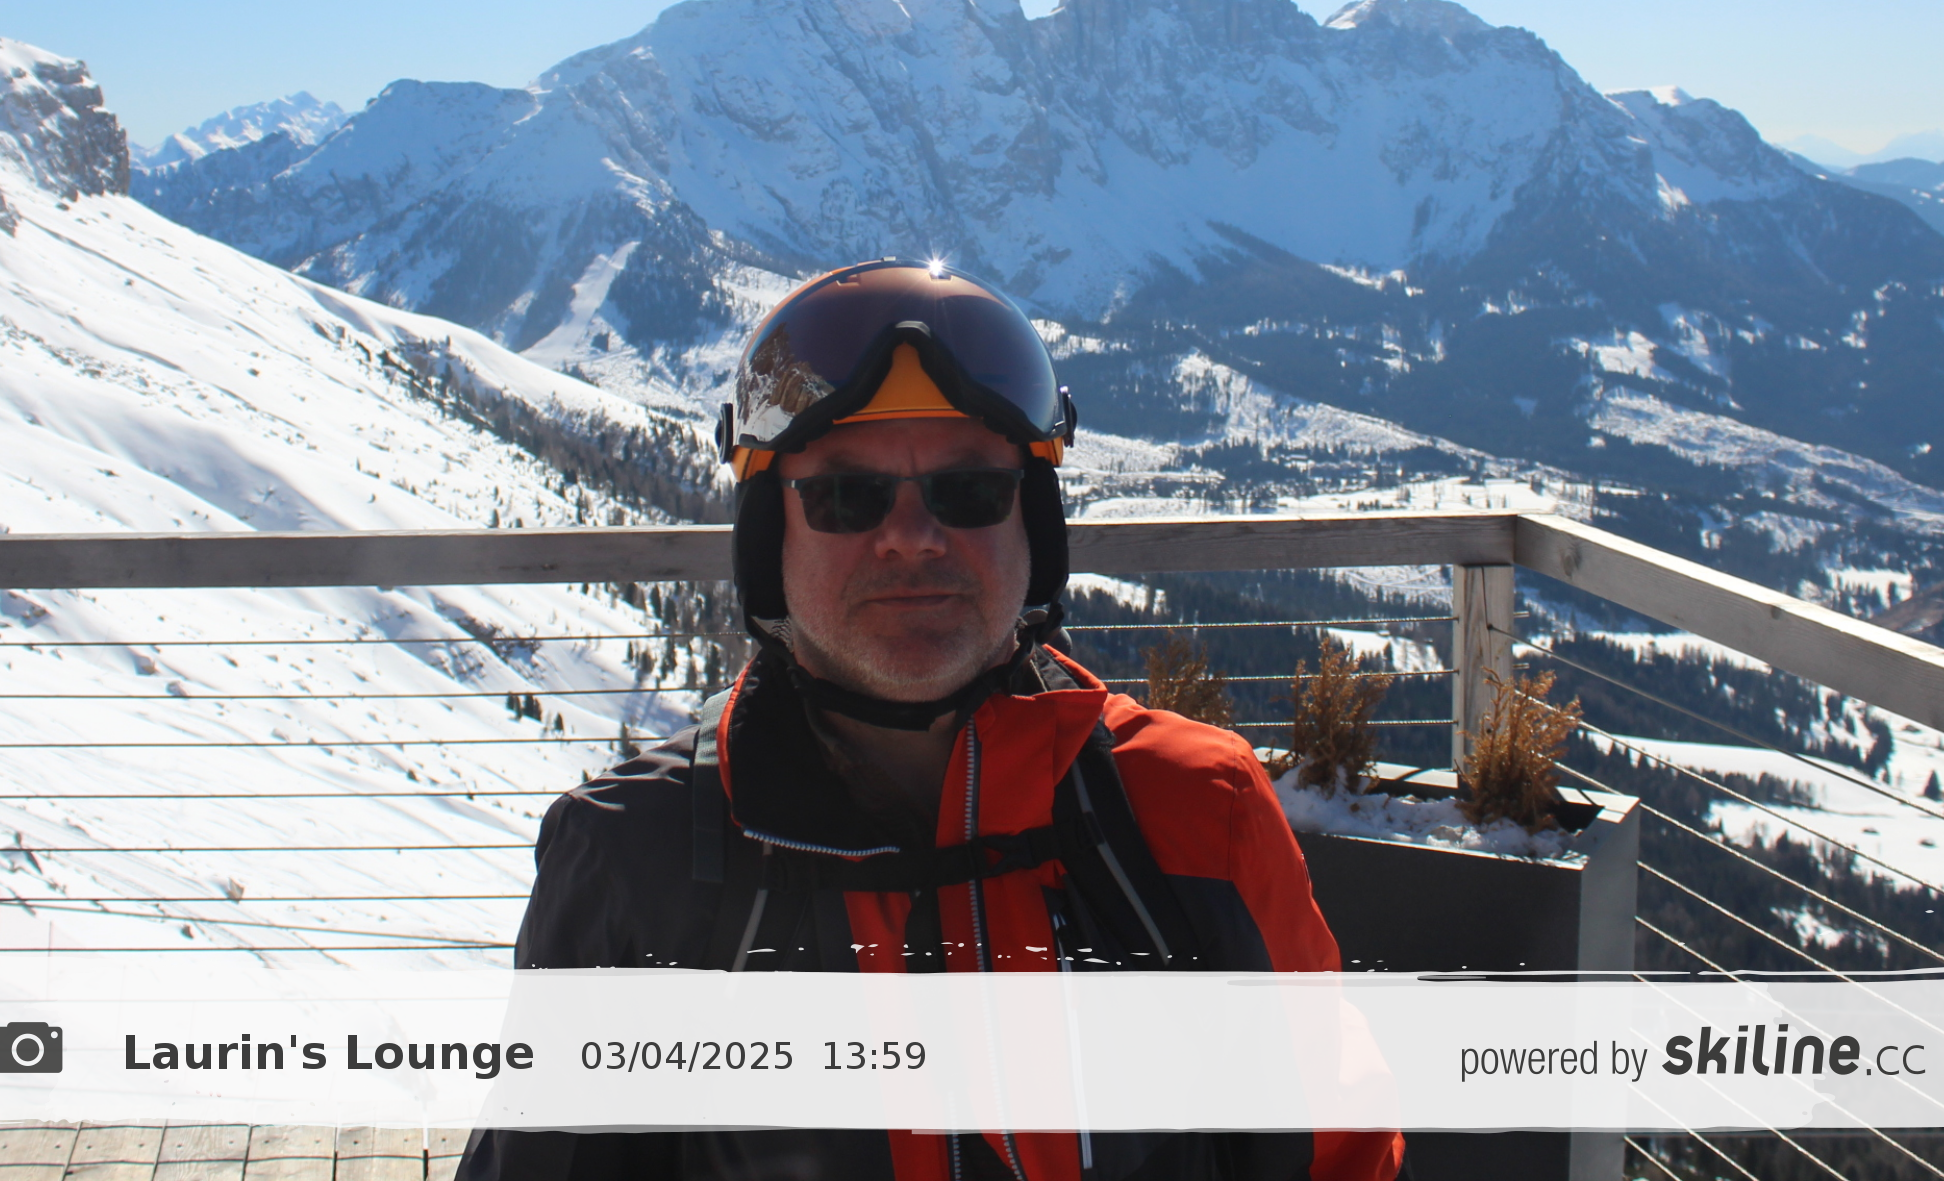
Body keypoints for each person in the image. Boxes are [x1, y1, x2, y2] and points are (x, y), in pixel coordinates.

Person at [459, 260, 1404, 1181]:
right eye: (846, 495)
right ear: (768, 537)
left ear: (1032, 523)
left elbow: (1341, 1159)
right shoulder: (633, 862)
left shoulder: (1194, 810)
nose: (912, 536)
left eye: (969, 491)